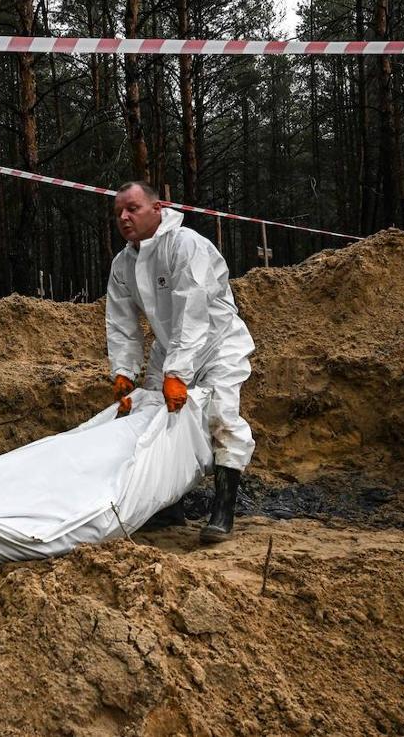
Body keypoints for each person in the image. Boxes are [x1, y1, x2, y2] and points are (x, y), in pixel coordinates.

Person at [105, 181, 256, 544]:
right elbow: (121, 322)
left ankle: (223, 510)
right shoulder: (123, 264)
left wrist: (177, 372)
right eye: (119, 212)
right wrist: (124, 371)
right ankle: (169, 505)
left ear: (157, 208)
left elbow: (193, 310)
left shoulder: (185, 245)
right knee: (157, 419)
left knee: (222, 415)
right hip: (170, 348)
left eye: (133, 209)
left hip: (217, 342)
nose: (124, 217)